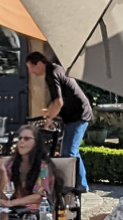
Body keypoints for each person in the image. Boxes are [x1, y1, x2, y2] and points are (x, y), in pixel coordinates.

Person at [24, 50, 93, 193]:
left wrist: (48, 120)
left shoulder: (52, 73)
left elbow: (58, 102)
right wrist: (49, 112)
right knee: (69, 150)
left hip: (79, 114)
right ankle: (79, 183)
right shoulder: (55, 69)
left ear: (39, 64)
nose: (31, 72)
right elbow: (57, 101)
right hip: (74, 115)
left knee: (69, 151)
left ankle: (76, 184)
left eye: (31, 68)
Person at [0, 122, 60, 209]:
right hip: (17, 208)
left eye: (27, 139)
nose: (22, 141)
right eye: (20, 138)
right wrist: (3, 172)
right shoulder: (12, 164)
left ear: (36, 143)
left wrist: (11, 203)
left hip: (40, 209)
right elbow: (4, 196)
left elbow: (38, 197)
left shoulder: (43, 166)